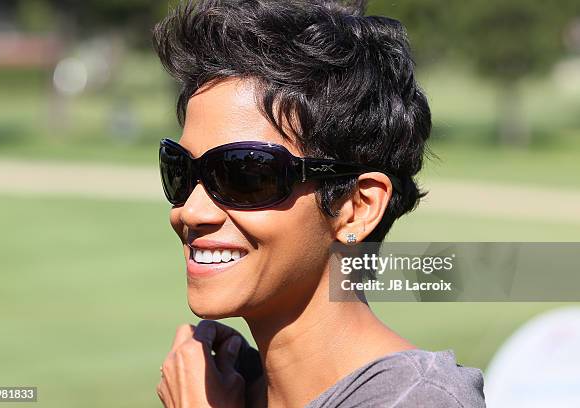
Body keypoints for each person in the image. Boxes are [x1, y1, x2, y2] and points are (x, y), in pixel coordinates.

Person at [152, 0, 486, 406]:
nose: (191, 211)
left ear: (358, 207)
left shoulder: (417, 401)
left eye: (246, 174)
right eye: (182, 170)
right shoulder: (229, 390)